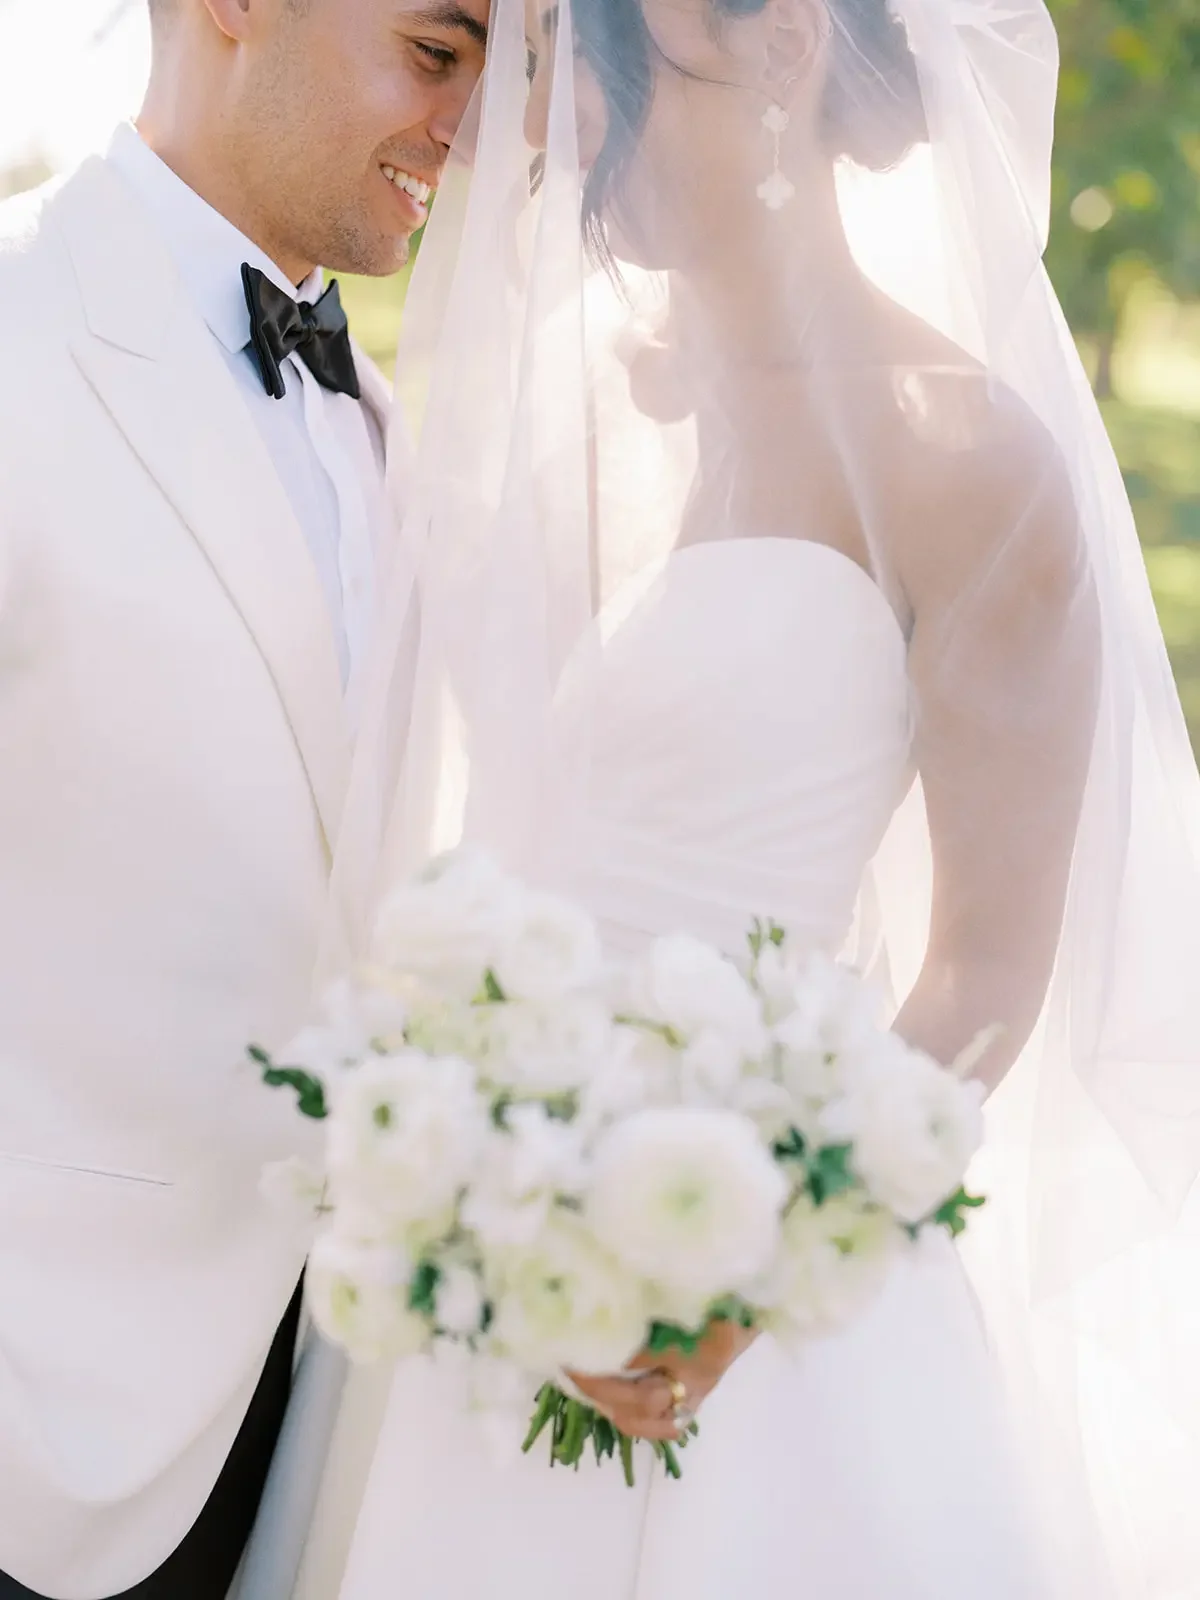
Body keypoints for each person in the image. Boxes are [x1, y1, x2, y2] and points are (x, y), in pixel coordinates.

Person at [275, 0, 1200, 1595]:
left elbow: (985, 978)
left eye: (590, 96)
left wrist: (735, 1270)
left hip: (765, 1304)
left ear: (775, 49)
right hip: (514, 1232)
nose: (553, 153)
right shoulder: (594, 409)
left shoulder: (963, 458)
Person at [0, 1, 486, 1596]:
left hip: (331, 1433)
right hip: (39, 1421)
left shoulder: (394, 430)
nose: (470, 122)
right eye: (438, 50)